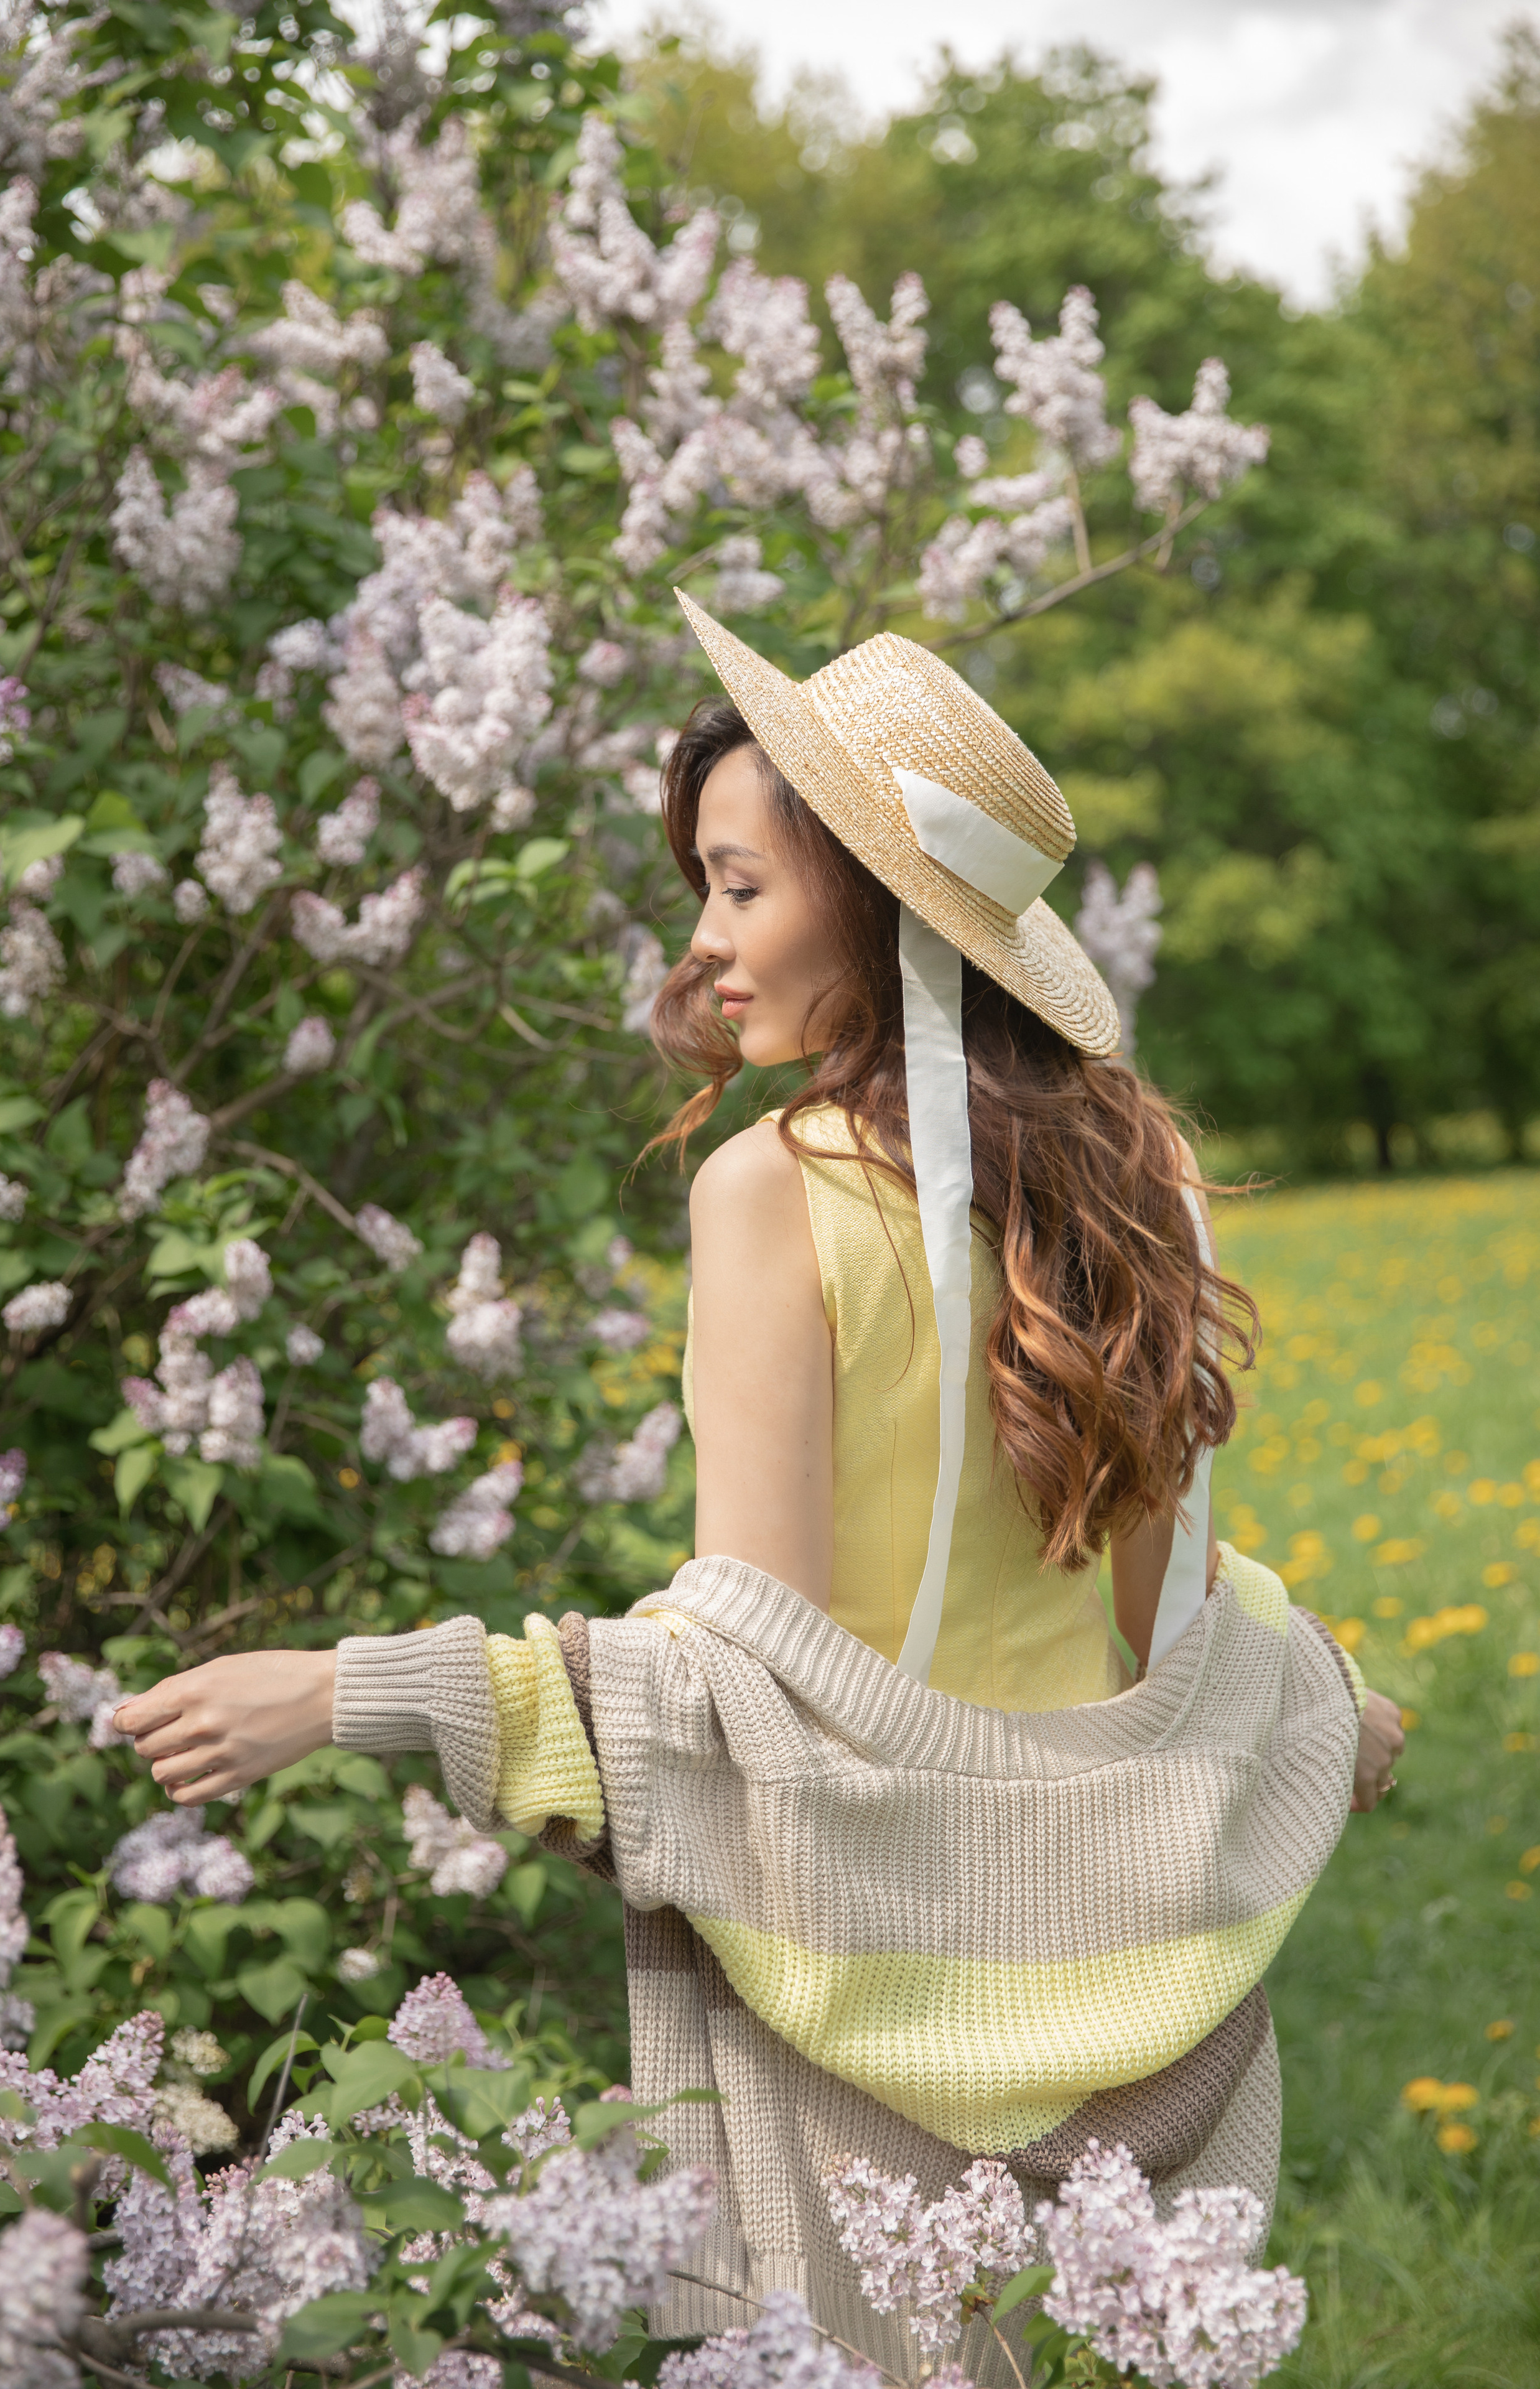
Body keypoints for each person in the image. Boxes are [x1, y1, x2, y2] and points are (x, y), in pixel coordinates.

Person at [116, 600, 1401, 2381]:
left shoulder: (770, 1191)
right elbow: (1158, 1615)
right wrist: (1325, 1703)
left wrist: (348, 1695)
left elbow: (753, 1692)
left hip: (861, 1973)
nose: (703, 942)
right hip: (1125, 1969)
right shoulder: (1132, 1170)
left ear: (873, 912)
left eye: (739, 886)